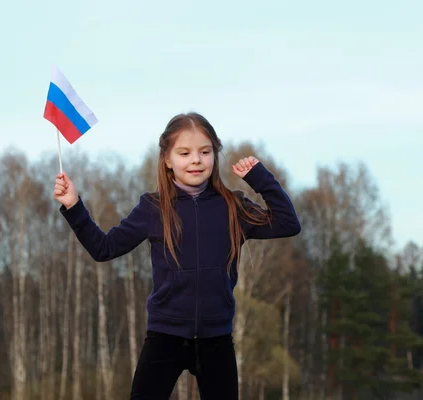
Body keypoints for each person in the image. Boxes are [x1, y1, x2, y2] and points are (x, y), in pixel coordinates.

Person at [53, 112, 301, 399]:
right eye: (184, 153)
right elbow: (103, 249)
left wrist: (260, 179)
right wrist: (73, 205)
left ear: (214, 156)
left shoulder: (232, 207)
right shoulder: (153, 208)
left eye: (204, 152)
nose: (195, 160)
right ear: (168, 160)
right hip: (164, 337)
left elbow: (288, 224)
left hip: (216, 340)